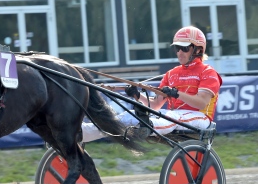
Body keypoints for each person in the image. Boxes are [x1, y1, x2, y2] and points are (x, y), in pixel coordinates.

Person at [82, 25, 223, 142]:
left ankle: (147, 126)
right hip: (174, 117)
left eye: (184, 48)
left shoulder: (208, 72)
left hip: (201, 118)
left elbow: (201, 103)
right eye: (177, 48)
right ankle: (85, 132)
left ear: (198, 50)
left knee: (172, 116)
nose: (179, 52)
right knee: (129, 115)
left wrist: (176, 93)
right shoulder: (172, 73)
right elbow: (155, 105)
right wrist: (137, 95)